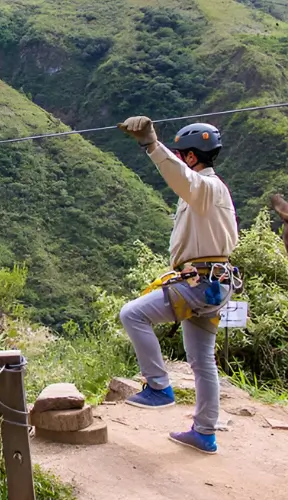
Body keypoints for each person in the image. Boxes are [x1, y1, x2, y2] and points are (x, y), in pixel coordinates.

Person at [116, 117, 239, 454]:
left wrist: (152, 146)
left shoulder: (206, 189)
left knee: (132, 314)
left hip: (200, 284)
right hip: (214, 284)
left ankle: (158, 387)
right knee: (203, 361)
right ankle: (204, 434)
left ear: (189, 157)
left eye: (182, 154)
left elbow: (182, 180)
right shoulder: (210, 192)